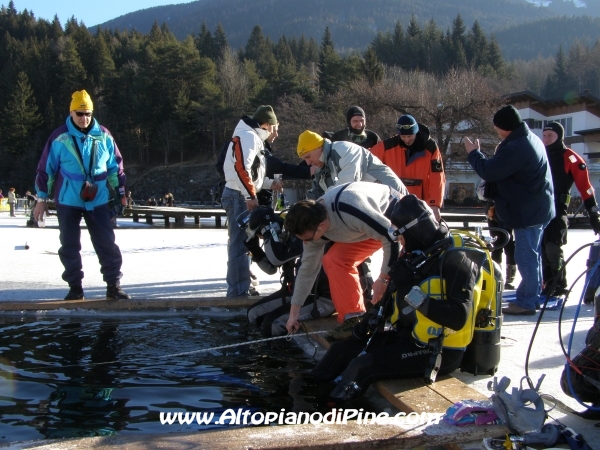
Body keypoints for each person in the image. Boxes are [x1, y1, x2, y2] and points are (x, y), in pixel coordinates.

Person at [310, 195, 482, 403]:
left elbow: (457, 317)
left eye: (397, 232)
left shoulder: (456, 259)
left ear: (413, 229)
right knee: (340, 351)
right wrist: (366, 322)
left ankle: (329, 416)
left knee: (363, 366)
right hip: (409, 337)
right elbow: (391, 298)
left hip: (440, 350)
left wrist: (410, 290)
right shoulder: (418, 254)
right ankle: (305, 400)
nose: (397, 238)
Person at [33, 90, 130, 301]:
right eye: (79, 113)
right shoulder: (59, 138)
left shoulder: (104, 136)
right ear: (71, 112)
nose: (84, 118)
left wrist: (121, 191)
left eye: (87, 113)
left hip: (98, 200)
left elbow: (115, 168)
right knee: (69, 245)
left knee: (106, 243)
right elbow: (45, 170)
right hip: (68, 201)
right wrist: (41, 199)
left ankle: (113, 286)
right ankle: (75, 287)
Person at [464, 105, 554, 315]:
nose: (496, 131)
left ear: (504, 128)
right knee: (532, 255)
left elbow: (490, 170)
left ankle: (526, 302)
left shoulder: (518, 146)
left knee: (525, 257)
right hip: (536, 208)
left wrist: (473, 154)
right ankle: (531, 297)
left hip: (528, 212)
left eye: (496, 128)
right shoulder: (527, 139)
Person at [283, 182, 403, 337]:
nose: (306, 243)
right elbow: (307, 271)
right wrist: (294, 314)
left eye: (307, 239)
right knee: (333, 259)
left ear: (321, 226)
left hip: (392, 219)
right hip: (361, 229)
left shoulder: (351, 209)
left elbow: (391, 237)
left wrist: (383, 279)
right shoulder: (313, 227)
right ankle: (353, 318)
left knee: (403, 270)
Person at [222, 105, 282, 297]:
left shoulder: (250, 137)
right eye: (275, 128)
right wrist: (251, 196)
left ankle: (241, 287)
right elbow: (241, 168)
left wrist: (270, 183)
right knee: (240, 244)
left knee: (245, 243)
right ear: (266, 124)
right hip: (239, 196)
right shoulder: (249, 137)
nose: (276, 133)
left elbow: (250, 174)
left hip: (240, 194)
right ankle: (237, 293)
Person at [541, 121, 600, 300]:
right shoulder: (539, 154)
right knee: (541, 248)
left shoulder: (571, 157)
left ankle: (559, 284)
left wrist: (594, 214)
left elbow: (586, 188)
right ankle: (547, 282)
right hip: (537, 209)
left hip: (558, 210)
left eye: (550, 135)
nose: (546, 139)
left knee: (552, 246)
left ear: (559, 137)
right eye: (544, 136)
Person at [370, 114, 445, 221]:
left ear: (416, 132)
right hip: (394, 203)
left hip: (421, 203)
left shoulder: (431, 147)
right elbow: (367, 159)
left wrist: (435, 204)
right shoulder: (386, 146)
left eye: (410, 136)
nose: (406, 139)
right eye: (403, 136)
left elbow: (437, 177)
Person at [296, 130, 406, 199]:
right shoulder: (322, 167)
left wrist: (320, 203)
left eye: (308, 156)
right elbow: (317, 194)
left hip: (394, 198)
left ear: (318, 147)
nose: (308, 163)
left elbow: (345, 188)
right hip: (375, 202)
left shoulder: (344, 150)